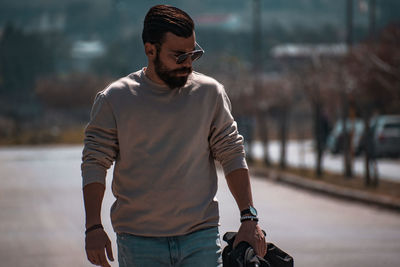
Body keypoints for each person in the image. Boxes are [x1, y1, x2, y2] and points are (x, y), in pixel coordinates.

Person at [81, 4, 266, 267]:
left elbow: (232, 151)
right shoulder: (115, 99)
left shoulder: (209, 93)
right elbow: (94, 163)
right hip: (138, 242)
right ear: (150, 50)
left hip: (200, 239)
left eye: (193, 54)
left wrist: (249, 218)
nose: (188, 63)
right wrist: (93, 227)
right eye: (179, 56)